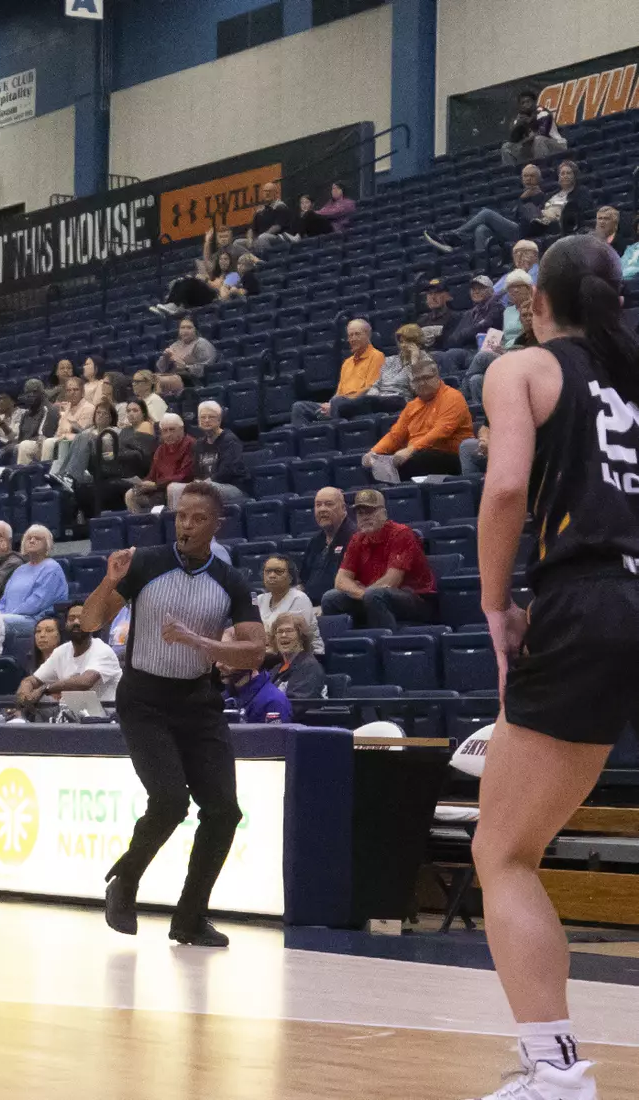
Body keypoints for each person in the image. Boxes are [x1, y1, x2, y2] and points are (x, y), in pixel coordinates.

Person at [465, 233, 639, 1100]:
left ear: (536, 305)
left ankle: (557, 1072)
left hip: (589, 603)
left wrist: (497, 604)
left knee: (504, 851)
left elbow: (504, 489)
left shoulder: (524, 368)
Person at [84, 483, 265, 947]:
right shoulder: (144, 563)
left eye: (197, 518)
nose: (185, 525)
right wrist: (109, 581)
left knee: (223, 812)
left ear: (216, 525)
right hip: (144, 701)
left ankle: (190, 919)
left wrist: (200, 642)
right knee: (169, 802)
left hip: (198, 702)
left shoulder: (229, 580)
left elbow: (254, 651)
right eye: (181, 516)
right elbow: (89, 622)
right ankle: (126, 880)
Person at [320, 489, 437, 629]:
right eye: (360, 513)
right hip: (374, 596)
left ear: (384, 513)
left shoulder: (401, 534)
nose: (365, 517)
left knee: (374, 595)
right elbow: (340, 581)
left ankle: (387, 640)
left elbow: (391, 581)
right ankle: (349, 642)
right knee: (330, 598)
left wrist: (363, 592)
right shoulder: (357, 539)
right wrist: (363, 594)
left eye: (370, 511)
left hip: (416, 599)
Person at [364, 358, 474, 480]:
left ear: (437, 377)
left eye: (426, 378)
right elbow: (395, 435)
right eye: (416, 380)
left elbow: (441, 431)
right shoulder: (412, 406)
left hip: (449, 455)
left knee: (416, 460)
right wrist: (374, 452)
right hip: (418, 454)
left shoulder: (452, 397)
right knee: (372, 467)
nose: (421, 383)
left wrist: (411, 450)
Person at [14, 603, 122, 710]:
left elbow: (85, 682)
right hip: (71, 716)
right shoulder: (61, 651)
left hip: (105, 717)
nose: (76, 622)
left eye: (82, 618)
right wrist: (24, 693)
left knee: (44, 699)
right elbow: (32, 680)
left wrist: (45, 689)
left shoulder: (102, 650)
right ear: (65, 624)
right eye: (71, 618)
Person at [425, 164, 544, 259]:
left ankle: (452, 238)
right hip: (513, 231)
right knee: (481, 229)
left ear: (538, 179)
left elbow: (533, 219)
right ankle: (481, 267)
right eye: (525, 176)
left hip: (523, 233)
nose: (528, 179)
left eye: (532, 176)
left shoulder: (539, 195)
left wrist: (525, 198)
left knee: (486, 213)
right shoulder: (523, 195)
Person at [463, 270, 540, 402]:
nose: (514, 290)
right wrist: (497, 346)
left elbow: (531, 341)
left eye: (518, 286)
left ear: (528, 288)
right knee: (476, 380)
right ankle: (478, 411)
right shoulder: (507, 311)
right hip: (504, 351)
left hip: (520, 356)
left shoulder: (535, 309)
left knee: (482, 356)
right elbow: (503, 335)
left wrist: (505, 351)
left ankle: (460, 397)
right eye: (510, 288)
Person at [290, 319, 384, 427]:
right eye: (350, 335)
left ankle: (337, 431)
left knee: (338, 402)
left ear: (368, 335)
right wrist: (329, 404)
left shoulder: (377, 356)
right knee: (299, 407)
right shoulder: (347, 363)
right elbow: (339, 392)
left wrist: (338, 403)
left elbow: (370, 388)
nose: (352, 339)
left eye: (357, 334)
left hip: (360, 404)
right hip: (339, 403)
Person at [332, 323, 428, 421]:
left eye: (407, 342)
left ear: (417, 343)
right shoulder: (390, 360)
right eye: (400, 342)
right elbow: (377, 384)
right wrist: (373, 395)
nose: (403, 345)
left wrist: (414, 360)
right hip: (380, 399)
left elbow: (418, 388)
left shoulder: (424, 362)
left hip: (399, 398)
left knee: (355, 404)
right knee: (344, 404)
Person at [0, 524, 69, 643]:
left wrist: (6, 616)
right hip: (9, 619)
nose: (32, 541)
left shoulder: (52, 568)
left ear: (47, 544)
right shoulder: (19, 570)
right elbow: (4, 599)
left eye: (38, 538)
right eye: (29, 538)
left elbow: (38, 601)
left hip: (36, 620)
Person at [169, 401, 247, 508]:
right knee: (173, 488)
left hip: (232, 487)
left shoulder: (230, 440)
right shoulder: (198, 444)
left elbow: (227, 471)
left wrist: (204, 483)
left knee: (205, 487)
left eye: (211, 417)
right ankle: (179, 517)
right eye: (203, 417)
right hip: (206, 485)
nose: (206, 420)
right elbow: (196, 472)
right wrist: (198, 483)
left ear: (219, 420)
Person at [125, 413, 194, 514]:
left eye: (172, 430)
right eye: (165, 431)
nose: (168, 434)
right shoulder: (161, 449)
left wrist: (156, 485)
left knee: (171, 488)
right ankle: (141, 523)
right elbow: (152, 475)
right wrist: (142, 484)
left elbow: (184, 476)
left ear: (181, 429)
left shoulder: (191, 445)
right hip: (158, 489)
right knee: (130, 494)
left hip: (178, 488)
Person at [254, 555, 320, 654]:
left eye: (279, 571)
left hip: (303, 656)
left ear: (290, 577)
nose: (272, 575)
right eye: (268, 571)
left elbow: (294, 638)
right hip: (266, 653)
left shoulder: (299, 598)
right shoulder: (259, 599)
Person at [300, 487, 356, 599]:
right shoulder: (315, 541)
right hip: (310, 605)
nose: (322, 509)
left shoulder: (355, 538)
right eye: (318, 505)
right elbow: (303, 581)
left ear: (343, 508)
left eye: (329, 504)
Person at [522, 162, 591, 243]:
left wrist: (556, 214)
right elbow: (540, 209)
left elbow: (579, 209)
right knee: (527, 208)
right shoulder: (551, 195)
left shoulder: (581, 191)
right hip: (543, 224)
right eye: (562, 173)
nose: (565, 176)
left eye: (568, 173)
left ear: (574, 176)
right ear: (559, 177)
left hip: (561, 225)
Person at [500, 88, 567, 166]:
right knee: (506, 147)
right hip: (533, 149)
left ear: (534, 102)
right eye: (523, 103)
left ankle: (542, 168)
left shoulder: (543, 112)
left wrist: (530, 122)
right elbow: (513, 139)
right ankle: (510, 171)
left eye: (528, 101)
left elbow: (543, 133)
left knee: (538, 140)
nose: (526, 105)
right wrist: (518, 125)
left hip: (556, 144)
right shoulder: (520, 118)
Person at [266, 613, 325, 700]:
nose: (283, 635)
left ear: (301, 637)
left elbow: (298, 704)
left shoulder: (309, 666)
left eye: (289, 631)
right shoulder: (277, 668)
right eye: (280, 631)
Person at [220, 654, 291, 724]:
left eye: (228, 659)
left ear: (252, 663)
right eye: (219, 658)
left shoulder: (273, 703)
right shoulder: (226, 695)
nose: (218, 665)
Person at [154, 318, 218, 384]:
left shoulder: (202, 344)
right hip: (173, 379)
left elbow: (207, 368)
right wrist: (165, 358)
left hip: (193, 382)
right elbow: (160, 369)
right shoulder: (176, 344)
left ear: (196, 330)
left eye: (189, 328)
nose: (185, 331)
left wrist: (186, 367)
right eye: (182, 328)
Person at [249, 181, 294, 251]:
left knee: (262, 238)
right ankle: (251, 256)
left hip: (278, 238)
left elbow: (277, 227)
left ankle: (268, 256)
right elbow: (252, 229)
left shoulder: (280, 207)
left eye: (270, 191)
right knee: (238, 243)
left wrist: (259, 238)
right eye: (265, 191)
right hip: (260, 239)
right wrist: (250, 240)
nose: (267, 193)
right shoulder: (260, 210)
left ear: (276, 193)